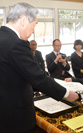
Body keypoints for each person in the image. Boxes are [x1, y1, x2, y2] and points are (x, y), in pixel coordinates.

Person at [0, 3, 78, 133]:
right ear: (24, 20)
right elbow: (38, 77)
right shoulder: (16, 44)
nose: (34, 30)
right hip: (15, 116)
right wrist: (66, 93)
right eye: (35, 24)